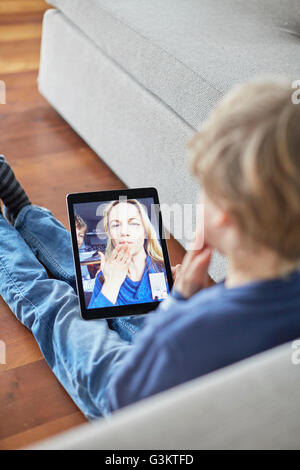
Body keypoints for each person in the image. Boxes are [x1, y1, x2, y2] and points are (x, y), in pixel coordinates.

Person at [0, 79, 300, 421]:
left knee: (58, 306)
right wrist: (186, 298)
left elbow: (124, 395)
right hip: (174, 363)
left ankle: (15, 218)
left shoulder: (196, 326)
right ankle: (24, 212)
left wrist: (182, 307)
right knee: (91, 280)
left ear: (225, 217)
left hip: (128, 390)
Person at [88, 199, 169, 308]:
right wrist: (111, 284)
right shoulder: (103, 277)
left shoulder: (165, 270)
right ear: (109, 233)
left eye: (134, 223)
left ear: (145, 230)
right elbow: (93, 323)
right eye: (116, 225)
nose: (124, 232)